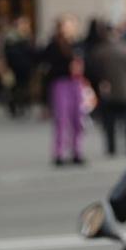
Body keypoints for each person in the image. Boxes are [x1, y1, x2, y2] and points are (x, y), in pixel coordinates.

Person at [41, 16, 88, 166]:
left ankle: (77, 151)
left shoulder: (78, 44)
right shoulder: (53, 45)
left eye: (72, 25)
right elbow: (47, 65)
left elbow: (87, 64)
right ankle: (59, 153)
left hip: (76, 83)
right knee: (61, 119)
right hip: (60, 83)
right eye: (68, 25)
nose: (70, 28)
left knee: (78, 119)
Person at [88, 20, 126, 155]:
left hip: (108, 90)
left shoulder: (100, 50)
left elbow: (95, 71)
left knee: (110, 122)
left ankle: (111, 148)